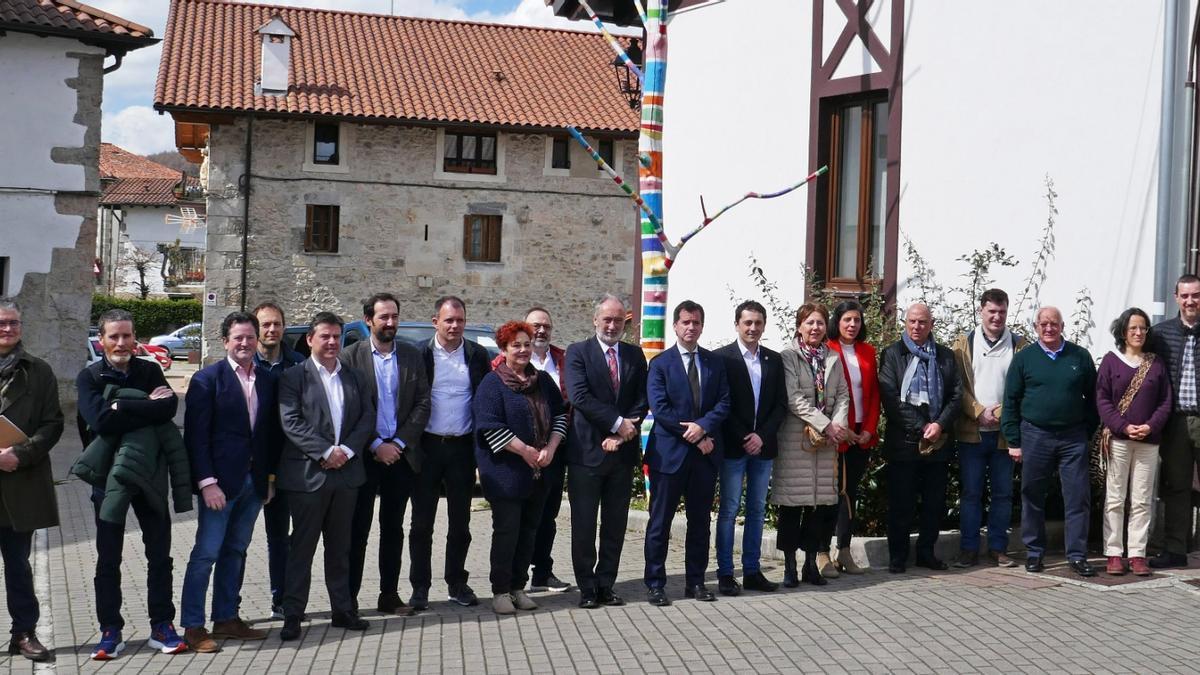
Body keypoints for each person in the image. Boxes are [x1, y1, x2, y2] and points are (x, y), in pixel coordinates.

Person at [76, 309, 188, 659]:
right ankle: (111, 629)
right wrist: (137, 403)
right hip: (108, 479)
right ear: (102, 340)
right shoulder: (89, 376)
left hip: (151, 476)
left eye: (127, 336)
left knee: (160, 554)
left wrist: (119, 405)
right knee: (108, 557)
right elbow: (100, 420)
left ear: (135, 337)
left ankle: (162, 625)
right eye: (114, 337)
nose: (121, 343)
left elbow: (168, 409)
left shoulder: (150, 369)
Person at [180, 311, 278, 652]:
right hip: (219, 484)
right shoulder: (207, 380)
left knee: (236, 551)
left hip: (253, 482)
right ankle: (193, 625)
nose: (245, 343)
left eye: (250, 337)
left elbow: (267, 435)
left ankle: (226, 618)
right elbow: (196, 437)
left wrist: (268, 478)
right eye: (238, 337)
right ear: (225, 342)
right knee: (206, 553)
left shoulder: (266, 379)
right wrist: (207, 483)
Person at [276, 312, 374, 640]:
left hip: (346, 475)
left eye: (337, 337)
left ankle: (343, 611)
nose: (332, 343)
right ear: (310, 340)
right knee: (301, 548)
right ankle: (293, 614)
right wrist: (324, 451)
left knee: (341, 548)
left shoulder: (355, 376)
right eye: (325, 337)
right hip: (308, 477)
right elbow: (291, 421)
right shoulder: (294, 377)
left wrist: (345, 451)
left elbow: (366, 417)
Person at [340, 293, 430, 616]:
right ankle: (347, 600)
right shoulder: (350, 357)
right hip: (365, 456)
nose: (391, 322)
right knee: (357, 528)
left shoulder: (411, 355)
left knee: (393, 528)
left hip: (401, 457)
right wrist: (377, 444)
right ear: (368, 320)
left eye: (394, 316)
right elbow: (350, 409)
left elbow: (422, 403)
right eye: (384, 317)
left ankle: (389, 595)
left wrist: (400, 444)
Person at [474, 322, 568, 614]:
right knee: (507, 531)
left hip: (539, 473)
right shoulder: (492, 384)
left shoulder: (542, 382)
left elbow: (561, 416)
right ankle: (500, 590)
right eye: (516, 345)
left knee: (529, 531)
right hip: (506, 475)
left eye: (527, 344)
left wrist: (550, 448)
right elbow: (489, 426)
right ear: (504, 350)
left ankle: (518, 587)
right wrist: (525, 450)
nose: (524, 350)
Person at [644, 300, 731, 606]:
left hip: (703, 459)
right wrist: (694, 436)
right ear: (675, 326)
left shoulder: (714, 363)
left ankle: (695, 582)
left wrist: (703, 427)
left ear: (702, 326)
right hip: (669, 457)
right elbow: (660, 409)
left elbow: (723, 403)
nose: (691, 327)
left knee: (699, 523)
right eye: (685, 322)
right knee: (660, 522)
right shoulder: (660, 364)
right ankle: (655, 583)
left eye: (696, 322)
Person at [564, 293, 648, 609]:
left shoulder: (634, 355)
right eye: (607, 319)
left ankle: (606, 585)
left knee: (615, 526)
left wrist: (624, 434)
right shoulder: (578, 353)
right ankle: (586, 588)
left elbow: (643, 397)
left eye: (618, 320)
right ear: (595, 319)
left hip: (621, 455)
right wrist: (616, 423)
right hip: (587, 454)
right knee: (584, 526)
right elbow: (580, 397)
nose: (612, 325)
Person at [1002, 306, 1099, 577]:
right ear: (1036, 327)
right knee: (1032, 494)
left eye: (1053, 323)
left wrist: (1085, 432)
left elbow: (1094, 400)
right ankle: (1034, 553)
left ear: (1062, 325)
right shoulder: (1025, 359)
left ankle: (1077, 556)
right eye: (1043, 324)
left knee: (1078, 497)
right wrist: (1013, 439)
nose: (1048, 328)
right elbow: (1010, 401)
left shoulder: (1079, 357)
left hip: (1072, 438)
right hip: (1035, 435)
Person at [411, 296, 491, 610]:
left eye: (459, 320)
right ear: (435, 322)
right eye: (448, 320)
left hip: (461, 449)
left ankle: (457, 583)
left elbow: (484, 402)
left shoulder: (476, 354)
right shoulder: (419, 354)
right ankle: (420, 587)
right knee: (421, 524)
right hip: (428, 448)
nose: (455, 326)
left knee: (460, 523)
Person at [878, 303, 962, 574]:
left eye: (922, 322)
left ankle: (926, 553)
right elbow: (890, 398)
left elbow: (956, 395)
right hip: (904, 441)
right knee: (901, 502)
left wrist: (939, 425)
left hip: (938, 442)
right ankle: (898, 557)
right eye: (912, 321)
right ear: (905, 323)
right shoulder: (892, 354)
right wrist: (921, 425)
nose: (917, 327)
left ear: (931, 324)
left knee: (934, 503)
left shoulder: (946, 356)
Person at [0, 299, 62, 662]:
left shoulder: (39, 371)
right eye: (2, 323)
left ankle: (23, 633)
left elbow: (53, 424)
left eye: (14, 323)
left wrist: (18, 455)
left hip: (19, 483)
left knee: (19, 566)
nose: (8, 329)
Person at [771, 303, 849, 586]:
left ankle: (809, 565)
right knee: (792, 506)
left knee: (819, 507)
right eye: (809, 323)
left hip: (826, 442)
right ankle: (790, 566)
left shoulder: (833, 357)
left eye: (819, 323)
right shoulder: (788, 356)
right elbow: (793, 399)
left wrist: (837, 425)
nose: (815, 328)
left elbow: (842, 394)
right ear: (799, 326)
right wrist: (825, 423)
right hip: (796, 440)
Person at [950, 289, 1027, 569]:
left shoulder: (1019, 345)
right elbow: (957, 387)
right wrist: (979, 411)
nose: (997, 317)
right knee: (971, 494)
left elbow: (1022, 389)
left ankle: (998, 548)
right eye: (992, 311)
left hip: (1004, 436)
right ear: (981, 310)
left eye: (1002, 311)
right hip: (972, 432)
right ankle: (969, 549)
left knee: (1003, 494)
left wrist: (1002, 413)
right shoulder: (963, 344)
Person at [714, 300, 786, 594]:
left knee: (757, 509)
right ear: (737, 325)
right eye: (747, 323)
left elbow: (781, 404)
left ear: (764, 325)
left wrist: (762, 436)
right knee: (729, 510)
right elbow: (722, 404)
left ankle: (753, 571)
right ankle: (725, 573)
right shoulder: (722, 359)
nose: (753, 328)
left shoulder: (774, 359)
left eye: (758, 323)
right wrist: (746, 436)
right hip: (734, 446)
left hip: (763, 447)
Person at [1096, 308, 1171, 576]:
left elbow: (1165, 401)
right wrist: (1123, 426)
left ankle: (1137, 553)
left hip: (1148, 441)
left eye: (1143, 328)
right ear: (1123, 332)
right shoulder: (1111, 361)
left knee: (1141, 499)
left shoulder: (1156, 363)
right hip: (1118, 439)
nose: (1139, 333)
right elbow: (1102, 400)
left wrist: (1150, 426)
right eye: (1133, 329)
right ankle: (1114, 553)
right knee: (1115, 498)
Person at [250, 301, 304, 619]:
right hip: (252, 466)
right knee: (238, 540)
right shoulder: (246, 365)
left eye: (277, 324)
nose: (271, 330)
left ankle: (283, 598)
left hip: (290, 467)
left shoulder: (297, 365)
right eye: (265, 324)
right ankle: (229, 608)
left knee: (285, 538)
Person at [822, 300, 880, 575]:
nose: (852, 325)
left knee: (849, 494)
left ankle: (843, 550)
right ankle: (821, 551)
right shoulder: (827, 349)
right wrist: (841, 428)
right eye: (847, 320)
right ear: (838, 322)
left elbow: (874, 394)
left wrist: (868, 428)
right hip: (835, 432)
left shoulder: (868, 352)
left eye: (857, 320)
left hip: (861, 434)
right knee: (828, 493)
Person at [1147, 274, 1200, 568]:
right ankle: (1176, 550)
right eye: (1186, 295)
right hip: (1176, 422)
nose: (1191, 301)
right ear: (1176, 297)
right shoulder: (1160, 334)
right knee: (1176, 486)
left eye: (1196, 295)